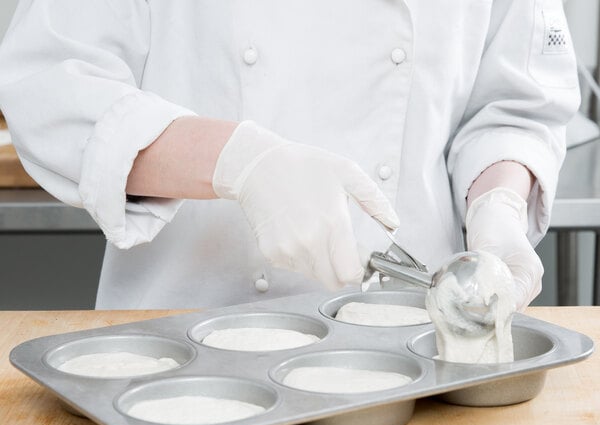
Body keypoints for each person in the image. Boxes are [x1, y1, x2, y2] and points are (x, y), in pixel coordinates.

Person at [0, 1, 579, 310]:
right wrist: (239, 163)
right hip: (185, 341)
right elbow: (49, 85)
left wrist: (499, 207)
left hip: (418, 333)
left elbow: (514, 103)